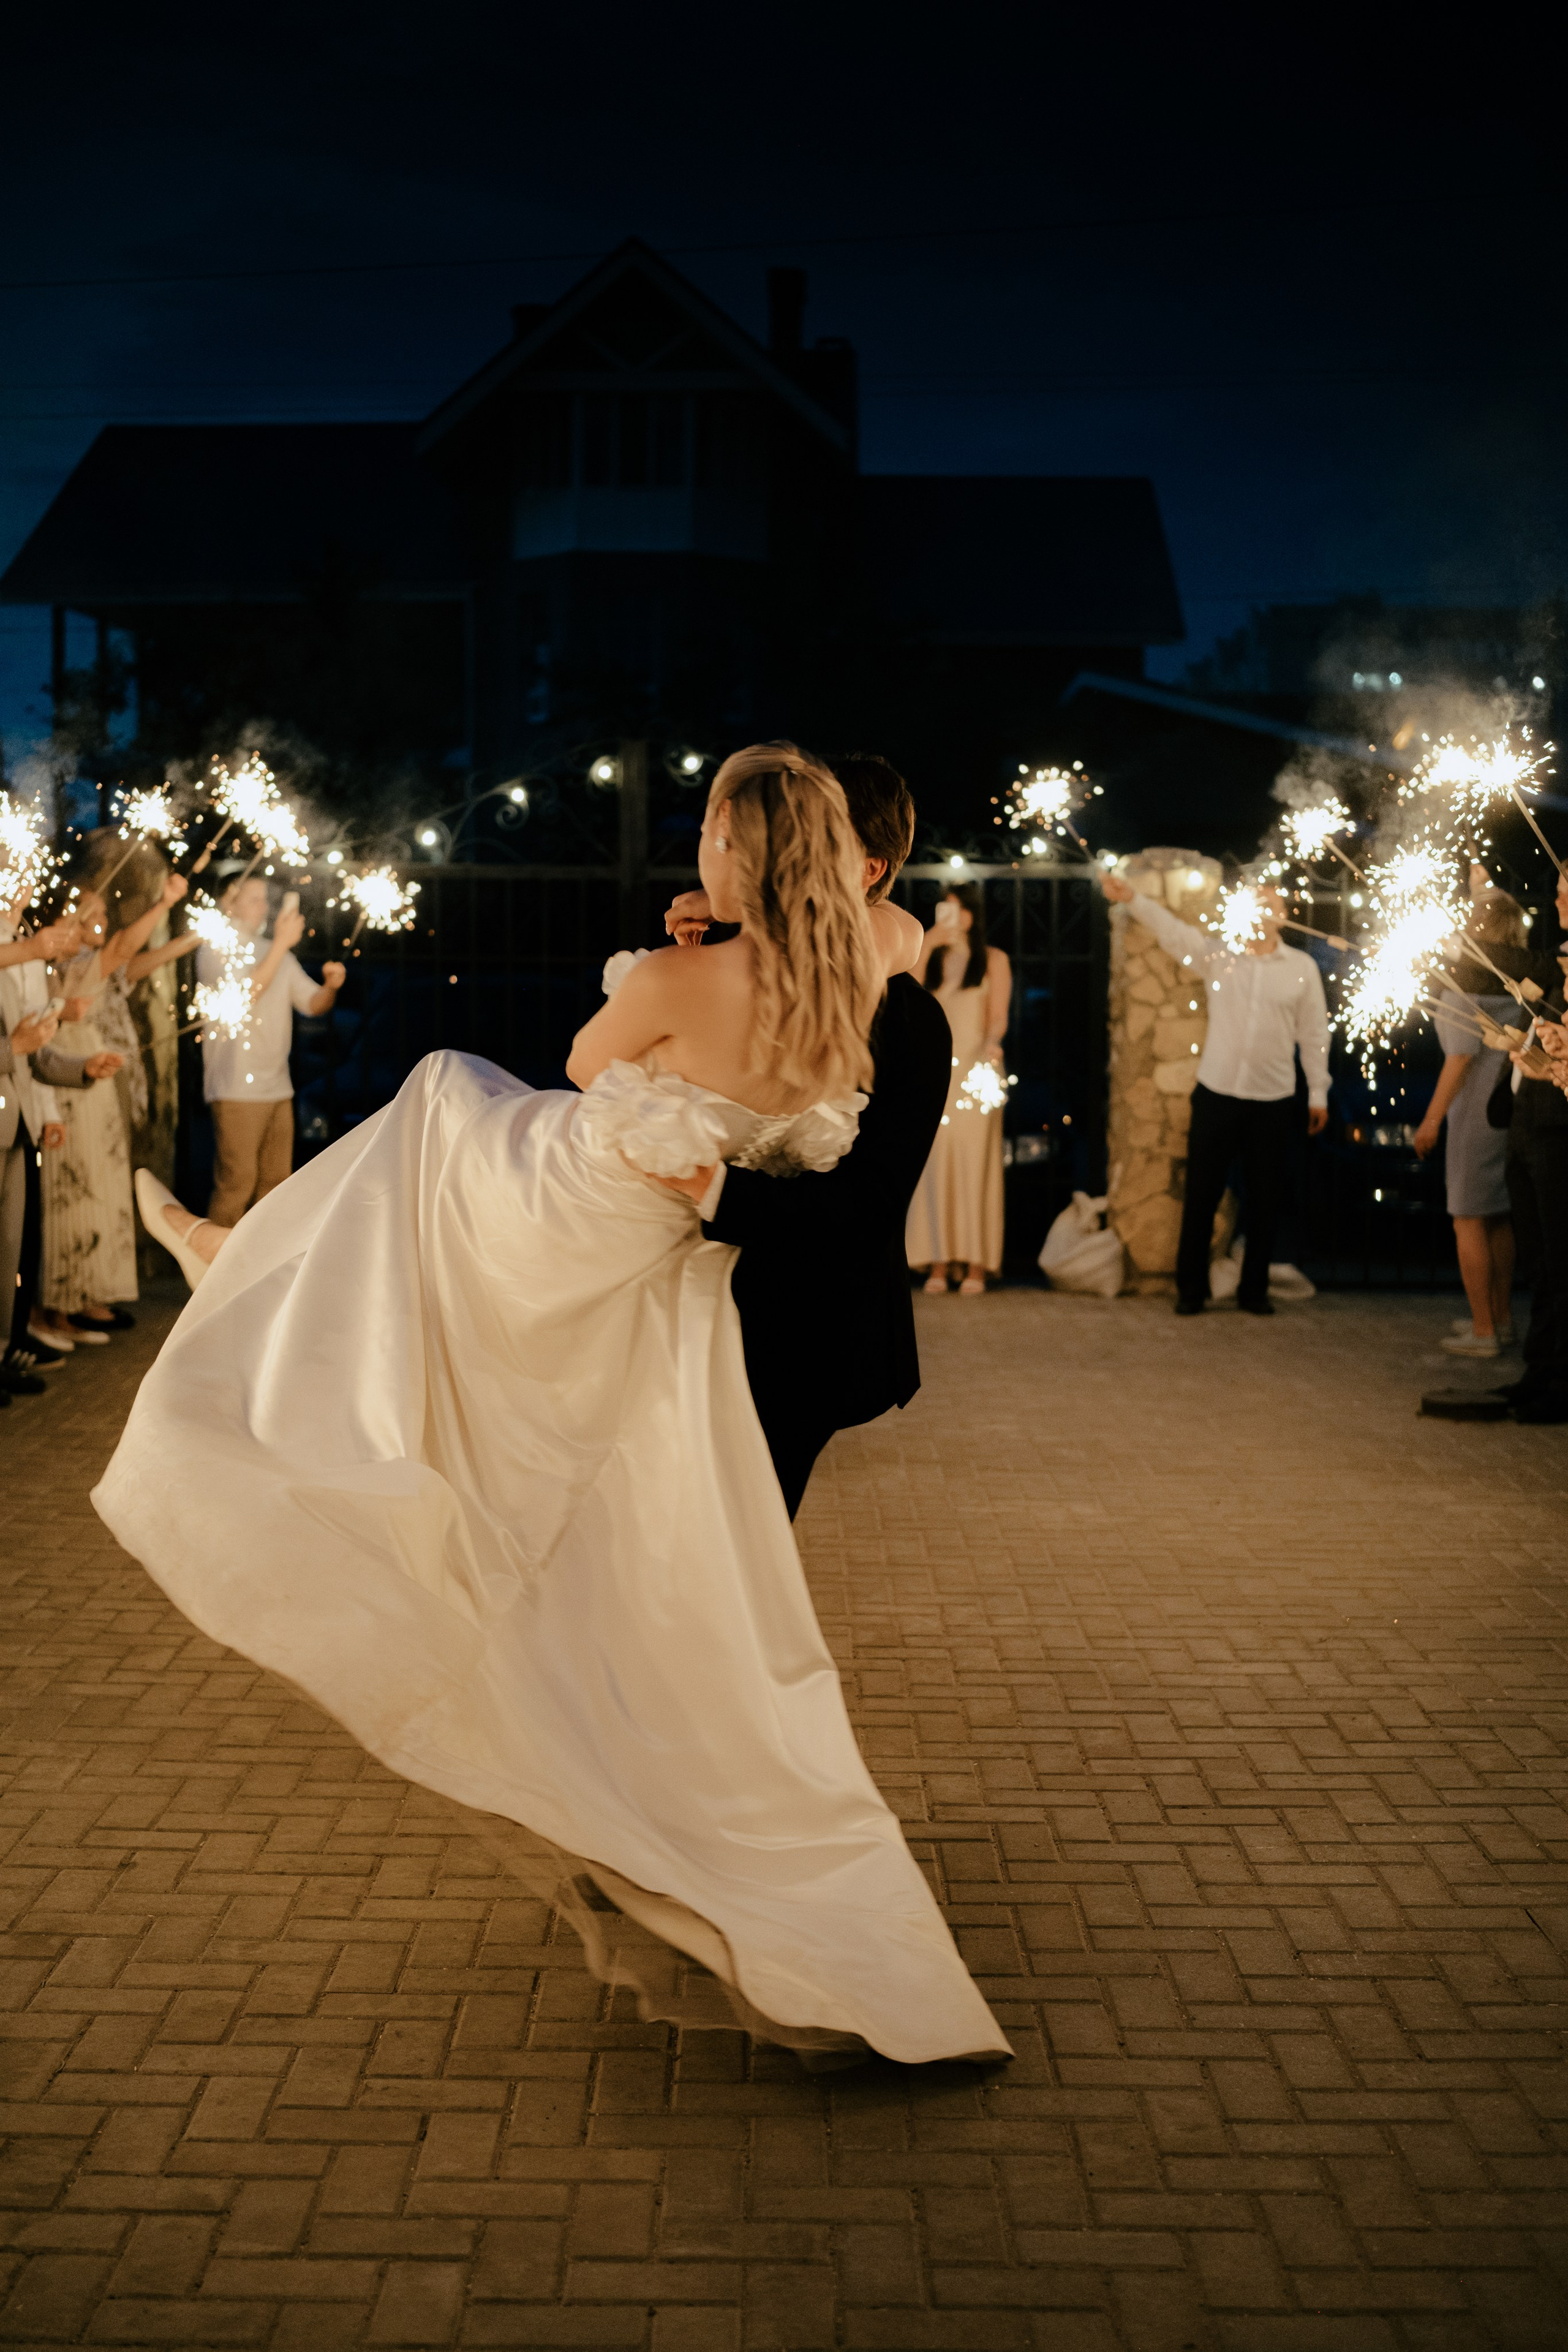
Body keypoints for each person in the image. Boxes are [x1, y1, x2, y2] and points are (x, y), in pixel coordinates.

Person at [96, 744, 1009, 2071]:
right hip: (668, 1292)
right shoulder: (851, 1000)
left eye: (710, 828)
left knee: (433, 1120)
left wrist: (700, 1144)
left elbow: (602, 1068)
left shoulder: (794, 998)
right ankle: (247, 1268)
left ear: (758, 857)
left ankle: (246, 1272)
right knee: (644, 1570)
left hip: (692, 1279)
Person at [663, 752, 952, 1517]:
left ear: (868, 868)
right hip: (688, 1312)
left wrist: (714, 1187)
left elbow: (867, 1205)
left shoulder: (909, 1021)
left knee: (736, 1550)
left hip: (808, 1333)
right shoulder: (734, 968)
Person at [1101, 870, 1329, 1315]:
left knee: (1264, 1199)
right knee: (1202, 1193)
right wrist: (1131, 898)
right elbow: (1173, 932)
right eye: (1257, 904)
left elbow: (1315, 1034)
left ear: (1284, 918)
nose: (1264, 913)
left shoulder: (1302, 970)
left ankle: (1254, 1290)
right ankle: (1191, 1289)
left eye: (1272, 906)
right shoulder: (1220, 956)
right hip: (1217, 1091)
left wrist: (1318, 1091)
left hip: (1273, 1098)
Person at [35, 874, 184, 1345]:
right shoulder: (57, 967)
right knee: (72, 1191)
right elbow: (123, 949)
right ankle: (57, 1306)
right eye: (92, 913)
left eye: (102, 913)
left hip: (92, 1078)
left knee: (97, 1186)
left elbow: (128, 958)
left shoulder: (76, 964)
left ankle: (82, 1298)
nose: (102, 920)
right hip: (64, 1084)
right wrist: (166, 901)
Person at [1411, 886, 1528, 1359]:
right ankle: (1500, 1320)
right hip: (1505, 1112)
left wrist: (1431, 1120)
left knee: (1467, 1219)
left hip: (1473, 1120)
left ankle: (1482, 1331)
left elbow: (1459, 1057)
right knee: (1498, 1218)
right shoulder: (1516, 980)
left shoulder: (1465, 986)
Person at [194, 873, 345, 1229]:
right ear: (228, 902)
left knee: (276, 1188)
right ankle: (212, 1275)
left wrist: (331, 986)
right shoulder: (215, 948)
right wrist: (280, 944)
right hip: (236, 1088)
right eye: (254, 899)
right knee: (237, 1185)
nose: (264, 907)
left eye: (265, 898)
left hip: (278, 1086)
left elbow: (312, 1003)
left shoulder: (275, 951)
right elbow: (244, 997)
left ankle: (261, 1276)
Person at [0, 967, 121, 1404]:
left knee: (8, 1252)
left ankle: (2, 1356)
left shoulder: (7, 983)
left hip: (14, 1126)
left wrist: (82, 1067)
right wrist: (9, 1047)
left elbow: (34, 1059)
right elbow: (14, 1049)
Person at [905, 883, 1011, 1294]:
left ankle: (975, 1265)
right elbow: (906, 995)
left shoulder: (993, 960)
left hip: (974, 1072)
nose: (954, 916)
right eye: (946, 909)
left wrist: (991, 1044)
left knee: (974, 1164)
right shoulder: (929, 957)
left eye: (960, 909)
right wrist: (929, 942)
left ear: (973, 914)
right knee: (934, 1163)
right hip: (934, 1071)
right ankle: (936, 1262)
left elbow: (998, 1014)